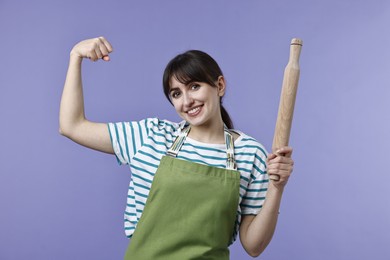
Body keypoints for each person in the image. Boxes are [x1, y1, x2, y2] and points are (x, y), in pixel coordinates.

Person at [59, 36, 294, 259]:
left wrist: (277, 187)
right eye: (176, 93)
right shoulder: (150, 136)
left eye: (194, 86)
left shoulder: (250, 153)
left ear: (219, 85)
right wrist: (75, 57)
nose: (187, 101)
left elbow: (254, 246)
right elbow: (72, 126)